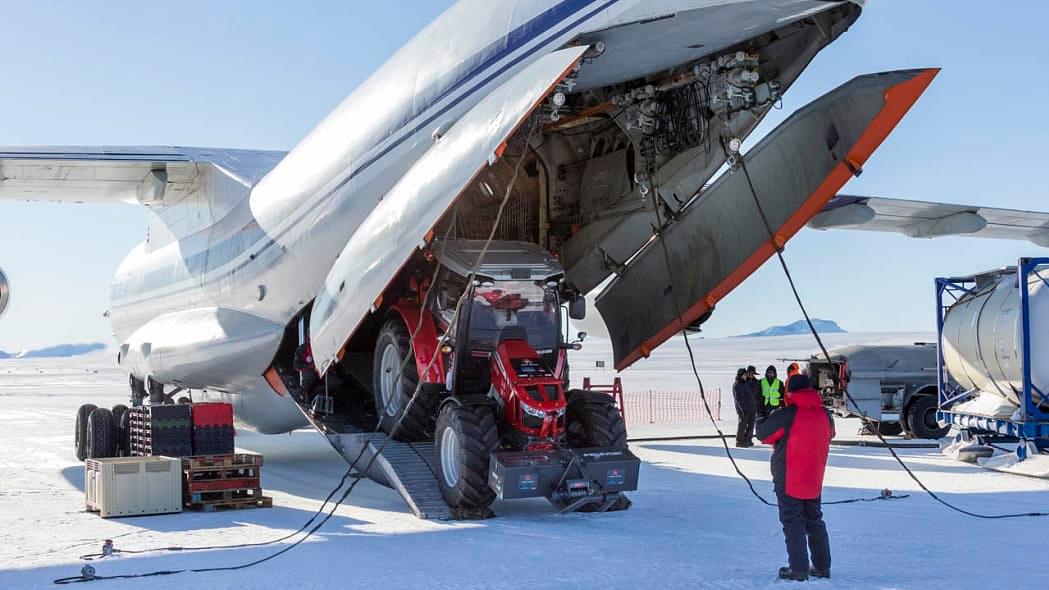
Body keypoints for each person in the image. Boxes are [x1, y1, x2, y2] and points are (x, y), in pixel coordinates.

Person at [756, 373, 835, 581]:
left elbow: (764, 435)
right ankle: (822, 566)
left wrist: (760, 416)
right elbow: (831, 433)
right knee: (814, 520)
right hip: (814, 475)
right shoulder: (825, 414)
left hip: (789, 476)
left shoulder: (788, 414)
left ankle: (798, 569)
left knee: (793, 521)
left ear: (789, 392)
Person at [732, 368, 756, 447]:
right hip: (744, 410)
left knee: (751, 425)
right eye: (745, 375)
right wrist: (743, 409)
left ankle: (747, 440)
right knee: (742, 425)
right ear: (740, 375)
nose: (746, 376)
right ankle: (740, 441)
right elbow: (739, 399)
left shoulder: (744, 383)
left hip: (751, 408)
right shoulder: (737, 384)